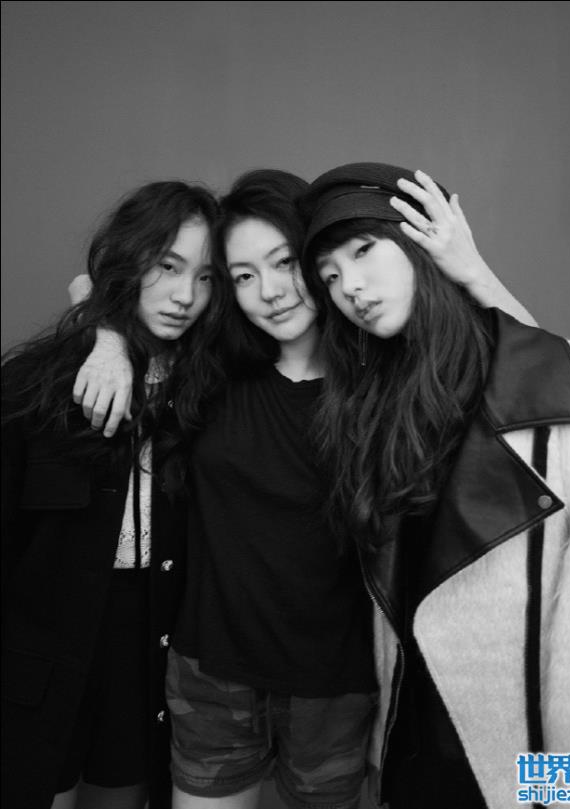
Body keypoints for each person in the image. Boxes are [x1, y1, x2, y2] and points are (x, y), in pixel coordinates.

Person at [68, 167, 537, 809]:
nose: (269, 292)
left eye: (284, 262)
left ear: (316, 257)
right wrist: (107, 341)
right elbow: (103, 285)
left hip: (337, 689)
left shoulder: (388, 381)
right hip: (210, 676)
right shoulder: (210, 366)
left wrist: (470, 270)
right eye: (242, 276)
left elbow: (541, 378)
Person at [298, 162, 570, 809]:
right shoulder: (372, 406)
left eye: (364, 251)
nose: (351, 287)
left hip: (521, 771)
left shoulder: (561, 385)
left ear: (420, 244)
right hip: (409, 757)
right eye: (331, 277)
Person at [1, 181, 223, 809]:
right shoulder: (36, 385)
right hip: (39, 651)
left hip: (147, 643)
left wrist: (110, 334)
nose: (185, 296)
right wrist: (106, 336)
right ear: (130, 258)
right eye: (168, 266)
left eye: (206, 278)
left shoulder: (210, 392)